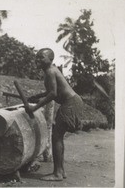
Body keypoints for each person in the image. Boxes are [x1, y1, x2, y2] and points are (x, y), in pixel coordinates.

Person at [25, 48, 84, 181]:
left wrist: (35, 107)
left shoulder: (50, 71)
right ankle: (60, 171)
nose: (38, 60)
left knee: (56, 136)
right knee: (58, 136)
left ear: (50, 59)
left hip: (70, 102)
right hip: (72, 101)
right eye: (37, 57)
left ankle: (57, 173)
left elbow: (53, 94)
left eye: (41, 57)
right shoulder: (50, 71)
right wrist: (36, 96)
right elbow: (51, 91)